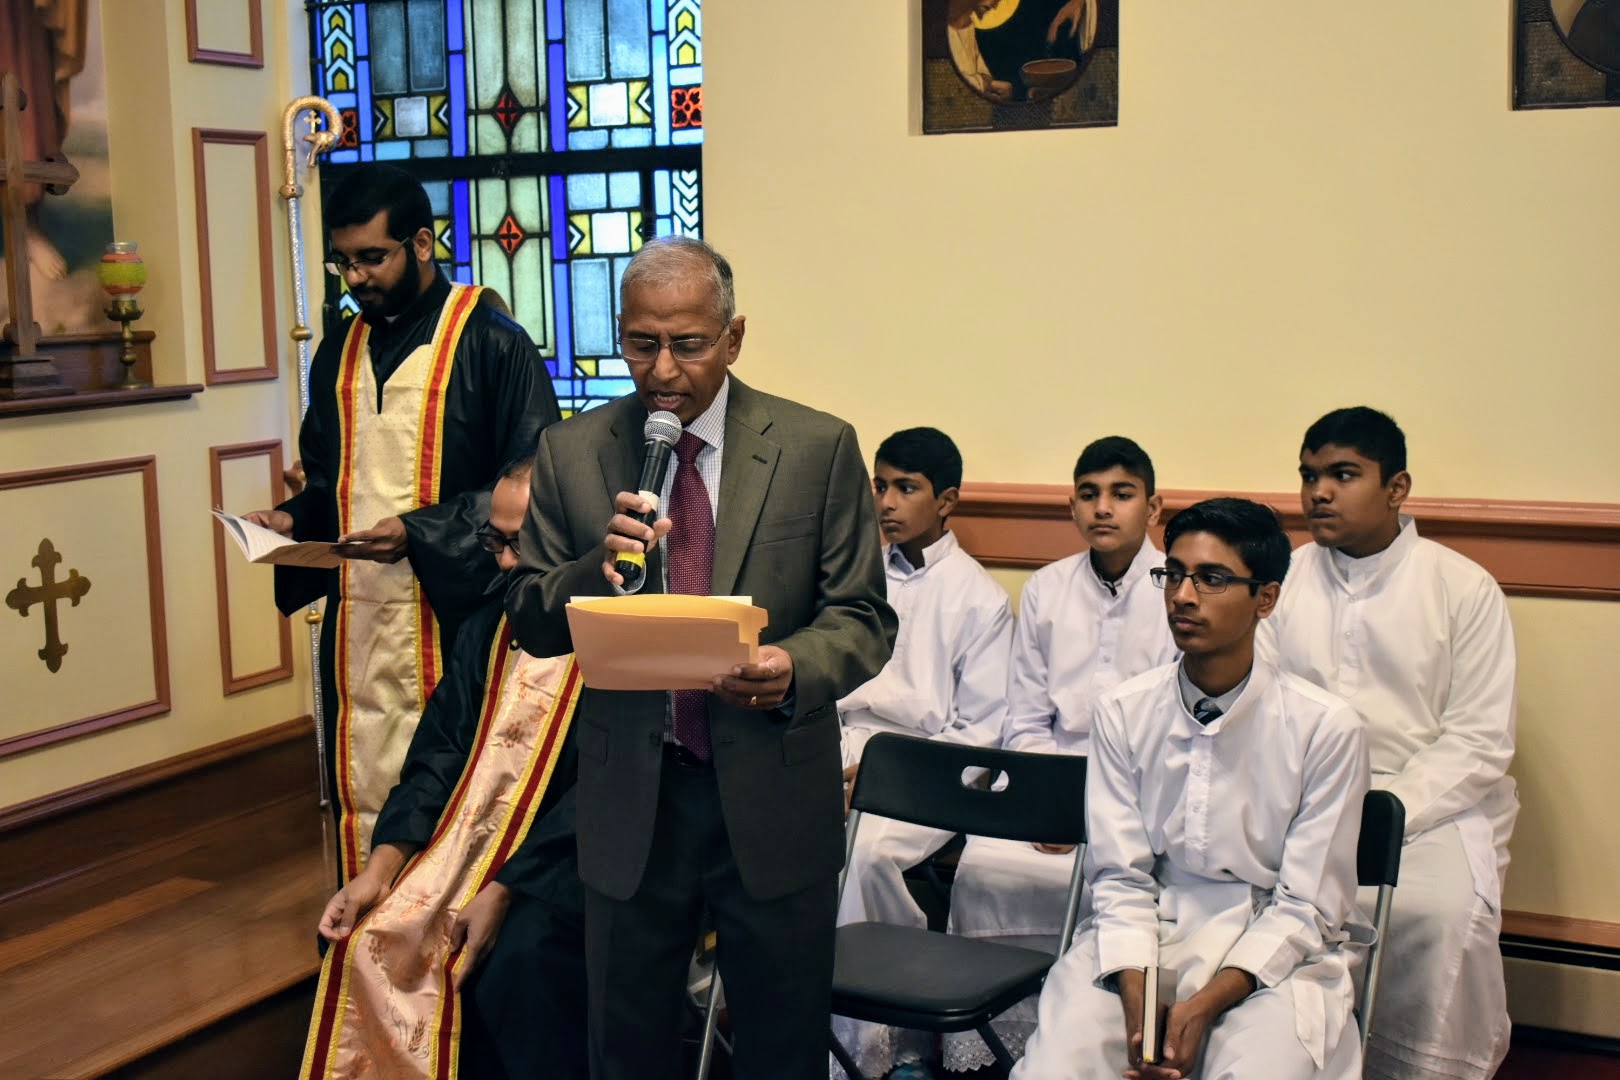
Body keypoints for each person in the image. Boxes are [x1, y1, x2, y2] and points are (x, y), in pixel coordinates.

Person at [503, 235, 896, 1080]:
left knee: (781, 1052)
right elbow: (531, 618)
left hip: (772, 789)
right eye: (640, 343)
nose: (662, 371)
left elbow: (863, 617)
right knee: (627, 1049)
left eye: (687, 344)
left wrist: (792, 668)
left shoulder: (816, 447)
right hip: (633, 798)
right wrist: (594, 567)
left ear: (734, 337)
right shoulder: (573, 453)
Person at [244, 163, 559, 883]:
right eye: (343, 262)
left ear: (421, 244)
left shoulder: (491, 341)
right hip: (360, 622)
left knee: (455, 791)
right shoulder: (338, 350)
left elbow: (532, 484)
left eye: (371, 258)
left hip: (457, 617)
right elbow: (329, 479)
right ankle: (361, 931)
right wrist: (289, 517)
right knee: (360, 785)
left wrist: (416, 532)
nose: (355, 278)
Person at [1015, 498, 1368, 1080]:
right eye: (1174, 574)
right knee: (1056, 1066)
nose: (1182, 595)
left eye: (1212, 579)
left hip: (1271, 948)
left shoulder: (1324, 728)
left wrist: (1201, 1008)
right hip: (1147, 934)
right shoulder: (1123, 711)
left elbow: (1307, 905)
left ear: (1266, 598)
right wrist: (1141, 1009)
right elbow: (1120, 877)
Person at [301, 461, 586, 1080]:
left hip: (568, 865)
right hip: (464, 854)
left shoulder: (617, 640)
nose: (504, 562)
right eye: (494, 541)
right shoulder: (489, 628)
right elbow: (437, 755)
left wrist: (506, 890)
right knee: (359, 931)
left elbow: (601, 798)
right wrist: (379, 872)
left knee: (519, 958)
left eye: (520, 544)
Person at [1259, 407, 1518, 1080]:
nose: (1319, 492)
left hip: (1427, 809)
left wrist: (1384, 809)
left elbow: (1479, 740)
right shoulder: (1280, 581)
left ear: (1396, 488)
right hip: (1297, 799)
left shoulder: (1462, 588)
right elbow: (1259, 706)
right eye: (1309, 475)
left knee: (1440, 916)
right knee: (1242, 896)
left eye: (1343, 475)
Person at [939, 435, 1180, 1073]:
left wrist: (1095, 816)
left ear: (1153, 508)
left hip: (1141, 799)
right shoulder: (1047, 589)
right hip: (1050, 784)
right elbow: (1024, 719)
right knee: (985, 872)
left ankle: (1095, 1047)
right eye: (1089, 494)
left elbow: (1173, 733)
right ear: (1071, 506)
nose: (1103, 507)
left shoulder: (1177, 592)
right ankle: (994, 1049)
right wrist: (1052, 806)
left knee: (1131, 889)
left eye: (1122, 494)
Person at [830, 426, 1014, 1080]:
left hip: (928, 772)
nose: (886, 502)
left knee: (866, 853)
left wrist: (885, 777)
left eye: (906, 488)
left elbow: (979, 731)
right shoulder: (854, 575)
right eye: (880, 485)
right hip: (837, 749)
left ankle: (875, 1042)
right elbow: (825, 685)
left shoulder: (979, 599)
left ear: (947, 501)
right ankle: (780, 1012)